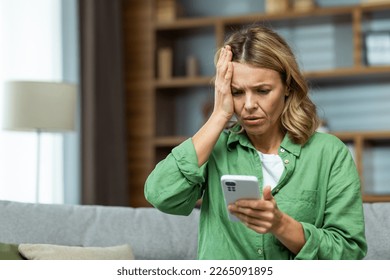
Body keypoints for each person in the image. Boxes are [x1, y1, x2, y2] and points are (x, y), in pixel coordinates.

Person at [144, 25, 367, 260]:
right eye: (237, 92)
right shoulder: (213, 149)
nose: (249, 105)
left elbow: (349, 251)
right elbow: (161, 195)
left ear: (287, 88)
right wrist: (219, 114)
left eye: (262, 91)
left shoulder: (329, 153)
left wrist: (281, 225)